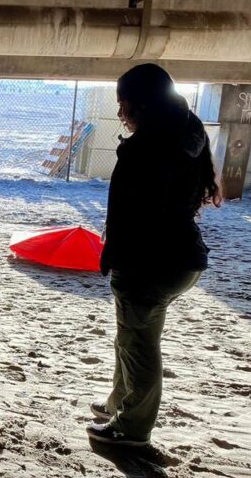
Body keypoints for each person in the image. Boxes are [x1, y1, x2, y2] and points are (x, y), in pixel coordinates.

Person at [87, 63, 221, 447]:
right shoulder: (187, 131)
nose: (120, 113)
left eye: (123, 104)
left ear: (141, 104)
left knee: (138, 345)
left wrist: (114, 256)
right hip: (181, 258)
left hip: (151, 263)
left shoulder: (148, 147)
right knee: (133, 338)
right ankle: (119, 404)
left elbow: (135, 213)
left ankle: (132, 428)